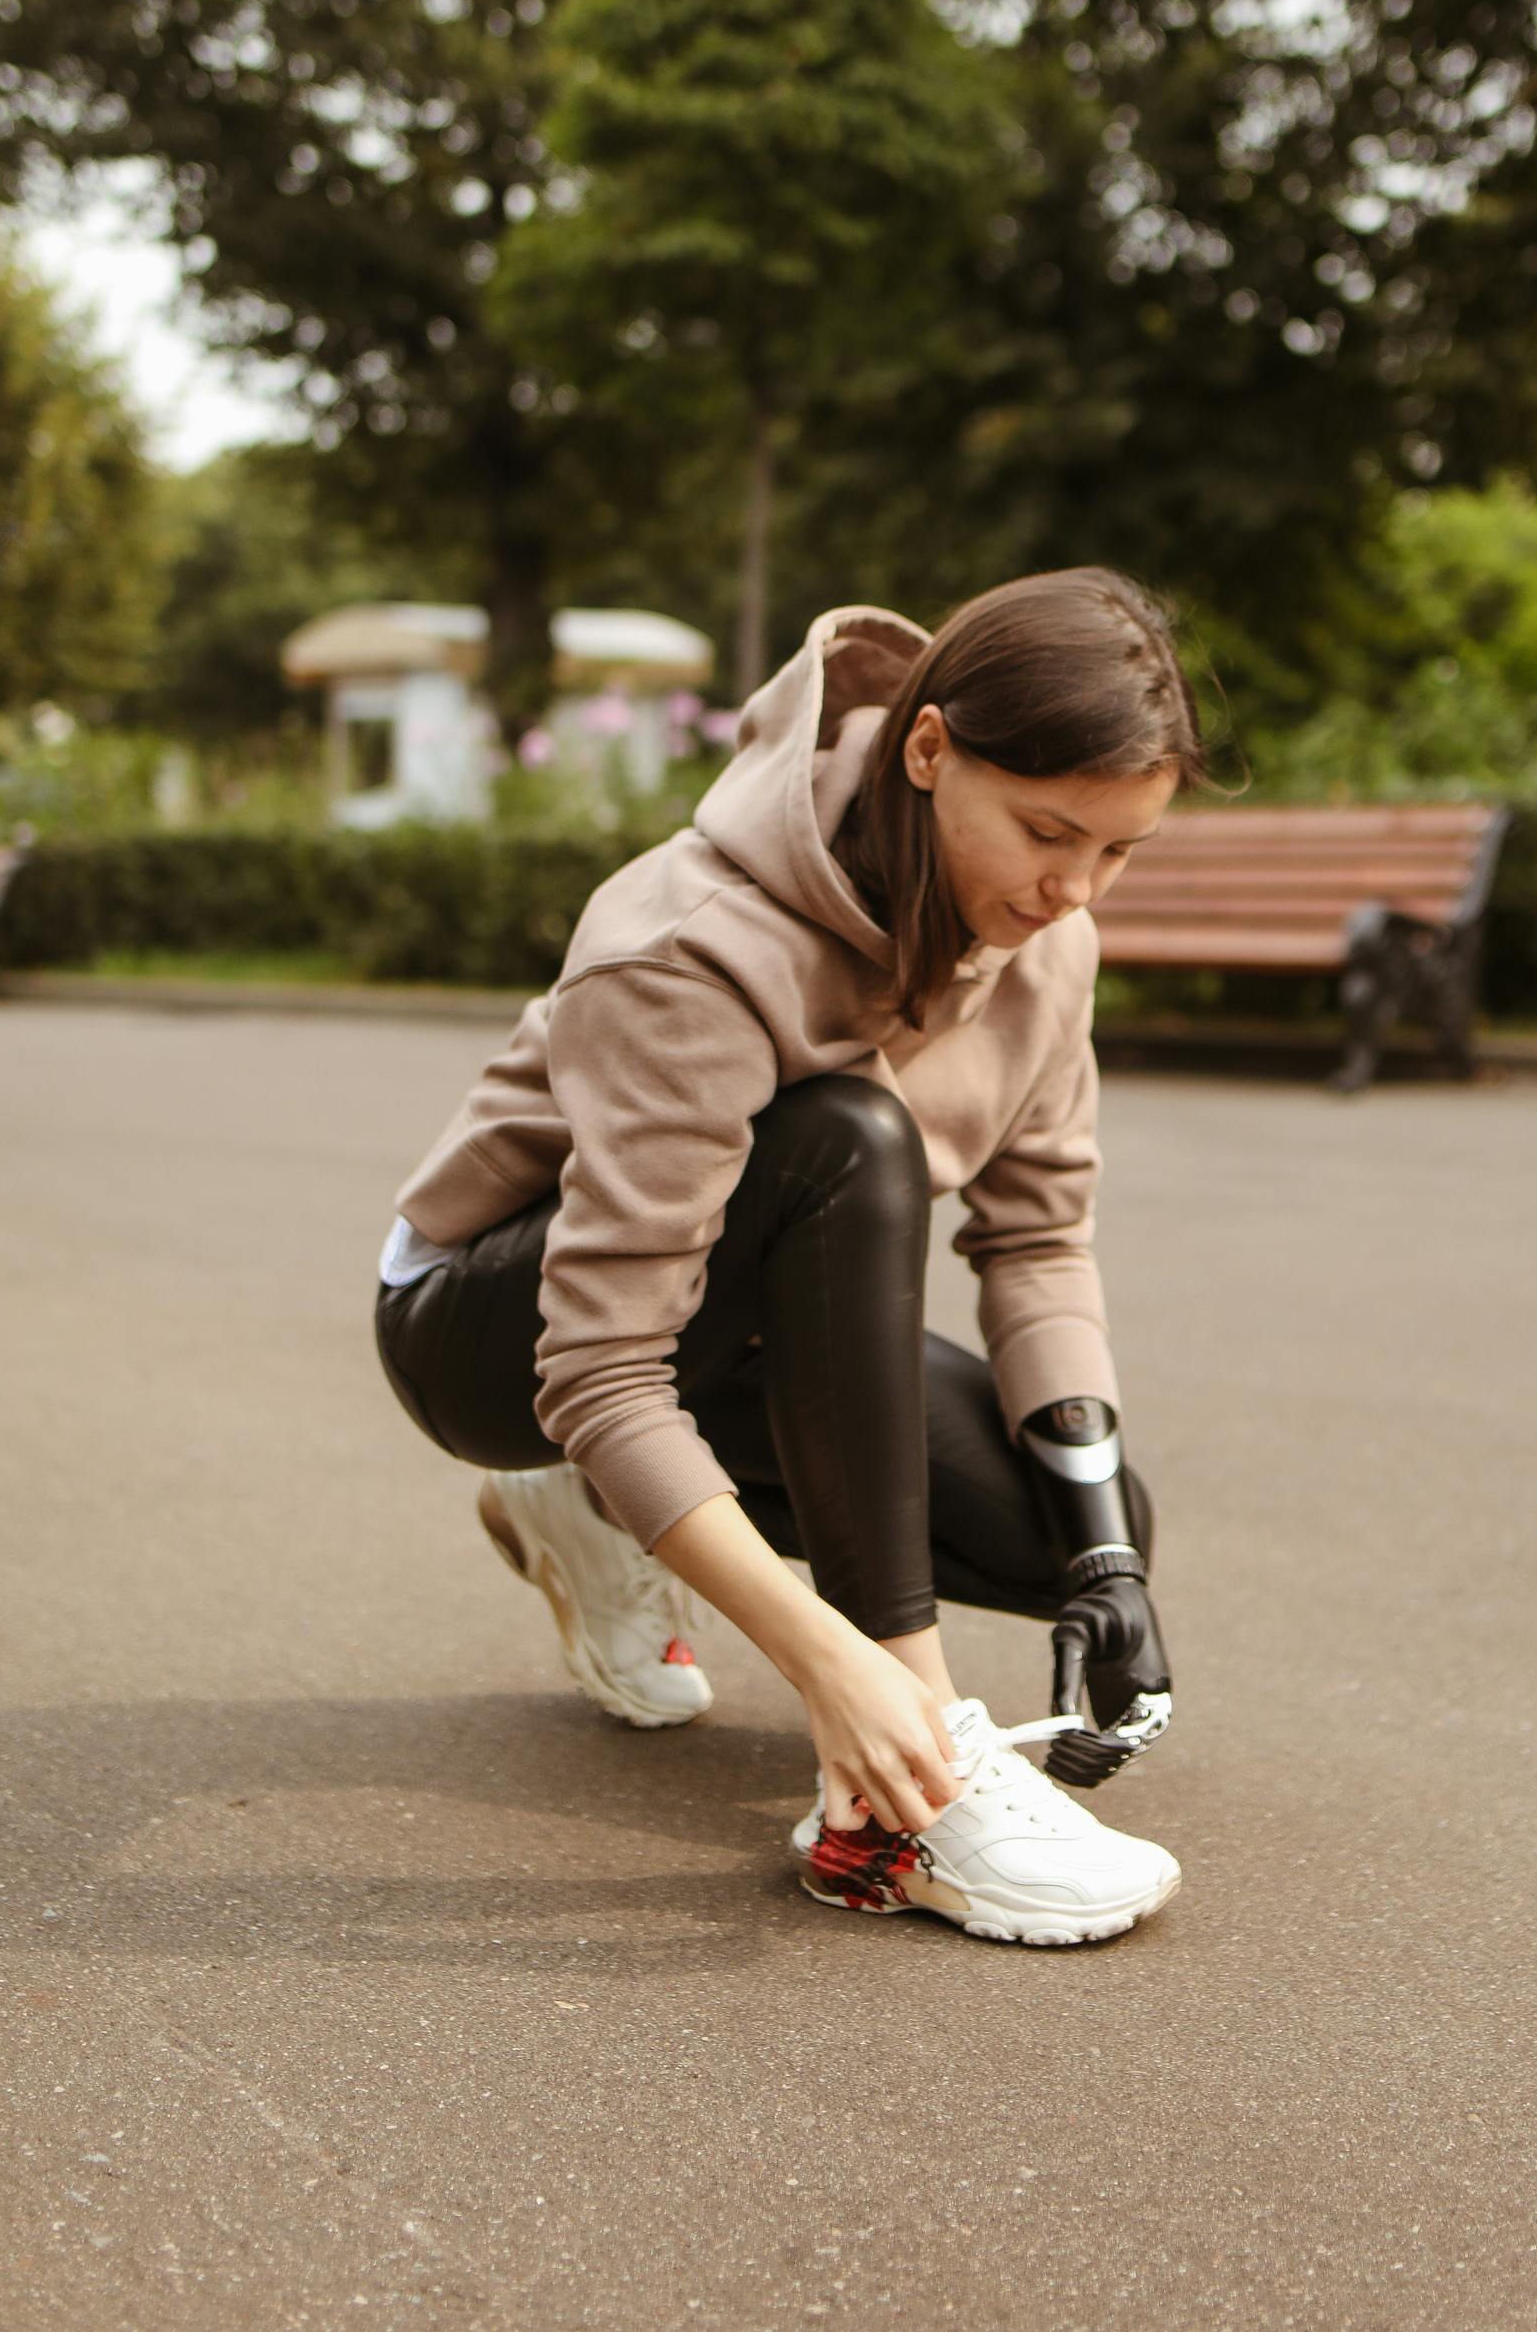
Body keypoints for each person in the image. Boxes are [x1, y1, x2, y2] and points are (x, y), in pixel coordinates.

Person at [376, 569, 1200, 1945]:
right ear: (927, 751)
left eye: (1118, 852)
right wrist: (844, 1670)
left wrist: (1108, 1556)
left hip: (738, 1326)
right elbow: (600, 1363)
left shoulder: (1051, 948)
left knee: (1063, 1525)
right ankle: (900, 1798)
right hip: (491, 1331)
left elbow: (1039, 1234)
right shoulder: (691, 945)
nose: (1074, 890)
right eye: (1049, 832)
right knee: (845, 1139)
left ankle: (597, 1514)